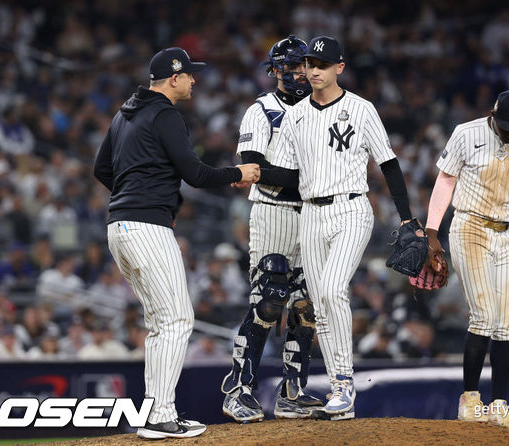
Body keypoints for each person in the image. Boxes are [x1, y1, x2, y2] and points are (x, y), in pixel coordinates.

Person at [94, 47, 259, 439]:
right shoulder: (166, 114)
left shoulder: (123, 114)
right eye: (188, 75)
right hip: (147, 227)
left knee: (159, 323)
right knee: (178, 320)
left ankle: (156, 412)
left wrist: (133, 192)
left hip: (119, 226)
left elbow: (102, 168)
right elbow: (196, 173)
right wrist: (238, 171)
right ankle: (160, 416)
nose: (193, 80)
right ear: (173, 78)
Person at [255, 36, 413, 419]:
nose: (312, 71)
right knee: (320, 303)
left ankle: (344, 383)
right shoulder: (295, 116)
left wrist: (408, 218)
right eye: (309, 63)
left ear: (339, 68)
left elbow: (388, 163)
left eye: (321, 65)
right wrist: (250, 171)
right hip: (309, 212)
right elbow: (289, 174)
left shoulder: (361, 109)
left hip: (351, 209)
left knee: (330, 289)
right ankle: (339, 392)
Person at [423, 89, 509, 431]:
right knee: (483, 316)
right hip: (470, 225)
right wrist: (432, 231)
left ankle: (499, 407)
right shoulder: (467, 133)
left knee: (507, 322)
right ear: (493, 116)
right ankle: (470, 400)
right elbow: (445, 180)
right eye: (507, 125)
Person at [221, 35, 323, 422]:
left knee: (307, 306)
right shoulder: (261, 110)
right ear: (276, 70)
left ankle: (292, 392)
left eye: (305, 65)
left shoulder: (320, 110)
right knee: (269, 299)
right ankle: (237, 388)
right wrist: (311, 182)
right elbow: (253, 169)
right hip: (274, 211)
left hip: (312, 214)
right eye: (293, 66)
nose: (300, 73)